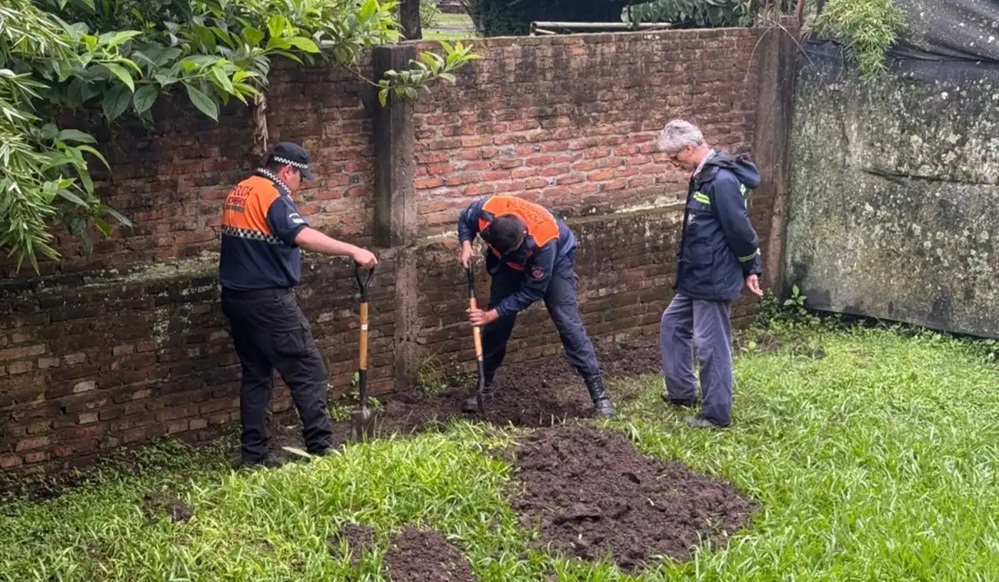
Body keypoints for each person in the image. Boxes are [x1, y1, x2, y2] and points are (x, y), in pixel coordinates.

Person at [217, 141, 378, 467]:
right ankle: (321, 448)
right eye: (300, 177)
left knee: (256, 375)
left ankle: (253, 456)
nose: (300, 184)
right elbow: (301, 235)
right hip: (268, 301)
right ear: (287, 170)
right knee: (308, 370)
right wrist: (353, 250)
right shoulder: (272, 195)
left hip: (236, 298)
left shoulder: (241, 189)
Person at [457, 194, 616, 417]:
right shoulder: (488, 210)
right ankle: (484, 388)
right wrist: (466, 244)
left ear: (521, 238)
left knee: (567, 322)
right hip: (510, 265)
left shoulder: (544, 242)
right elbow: (465, 219)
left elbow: (532, 291)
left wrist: (490, 314)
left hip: (557, 262)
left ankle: (599, 396)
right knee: (498, 325)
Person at [654, 120, 764, 429]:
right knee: (673, 323)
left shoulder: (721, 181)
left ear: (689, 148)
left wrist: (751, 267)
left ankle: (716, 414)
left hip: (714, 277)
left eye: (674, 158)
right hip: (695, 274)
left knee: (711, 343)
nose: (673, 164)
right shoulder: (702, 174)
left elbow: (741, 231)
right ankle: (682, 393)